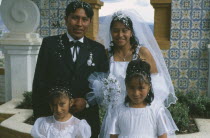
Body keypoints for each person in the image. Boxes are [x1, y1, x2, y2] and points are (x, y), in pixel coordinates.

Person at [88, 9, 177, 138]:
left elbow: (158, 83)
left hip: (141, 107)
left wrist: (146, 106)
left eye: (124, 30)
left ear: (131, 32)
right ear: (111, 32)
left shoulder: (142, 53)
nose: (120, 34)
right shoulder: (107, 55)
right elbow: (101, 81)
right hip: (117, 111)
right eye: (116, 30)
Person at [32, 1, 109, 138]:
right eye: (75, 18)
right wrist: (41, 119)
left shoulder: (98, 50)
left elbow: (104, 86)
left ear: (90, 21)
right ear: (66, 19)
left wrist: (86, 102)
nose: (79, 23)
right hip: (54, 120)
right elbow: (39, 83)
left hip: (86, 121)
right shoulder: (50, 45)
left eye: (84, 19)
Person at [109, 59, 178, 138]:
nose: (136, 93)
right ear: (126, 85)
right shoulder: (119, 110)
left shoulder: (156, 110)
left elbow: (162, 136)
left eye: (141, 88)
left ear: (149, 87)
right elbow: (113, 136)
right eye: (132, 87)